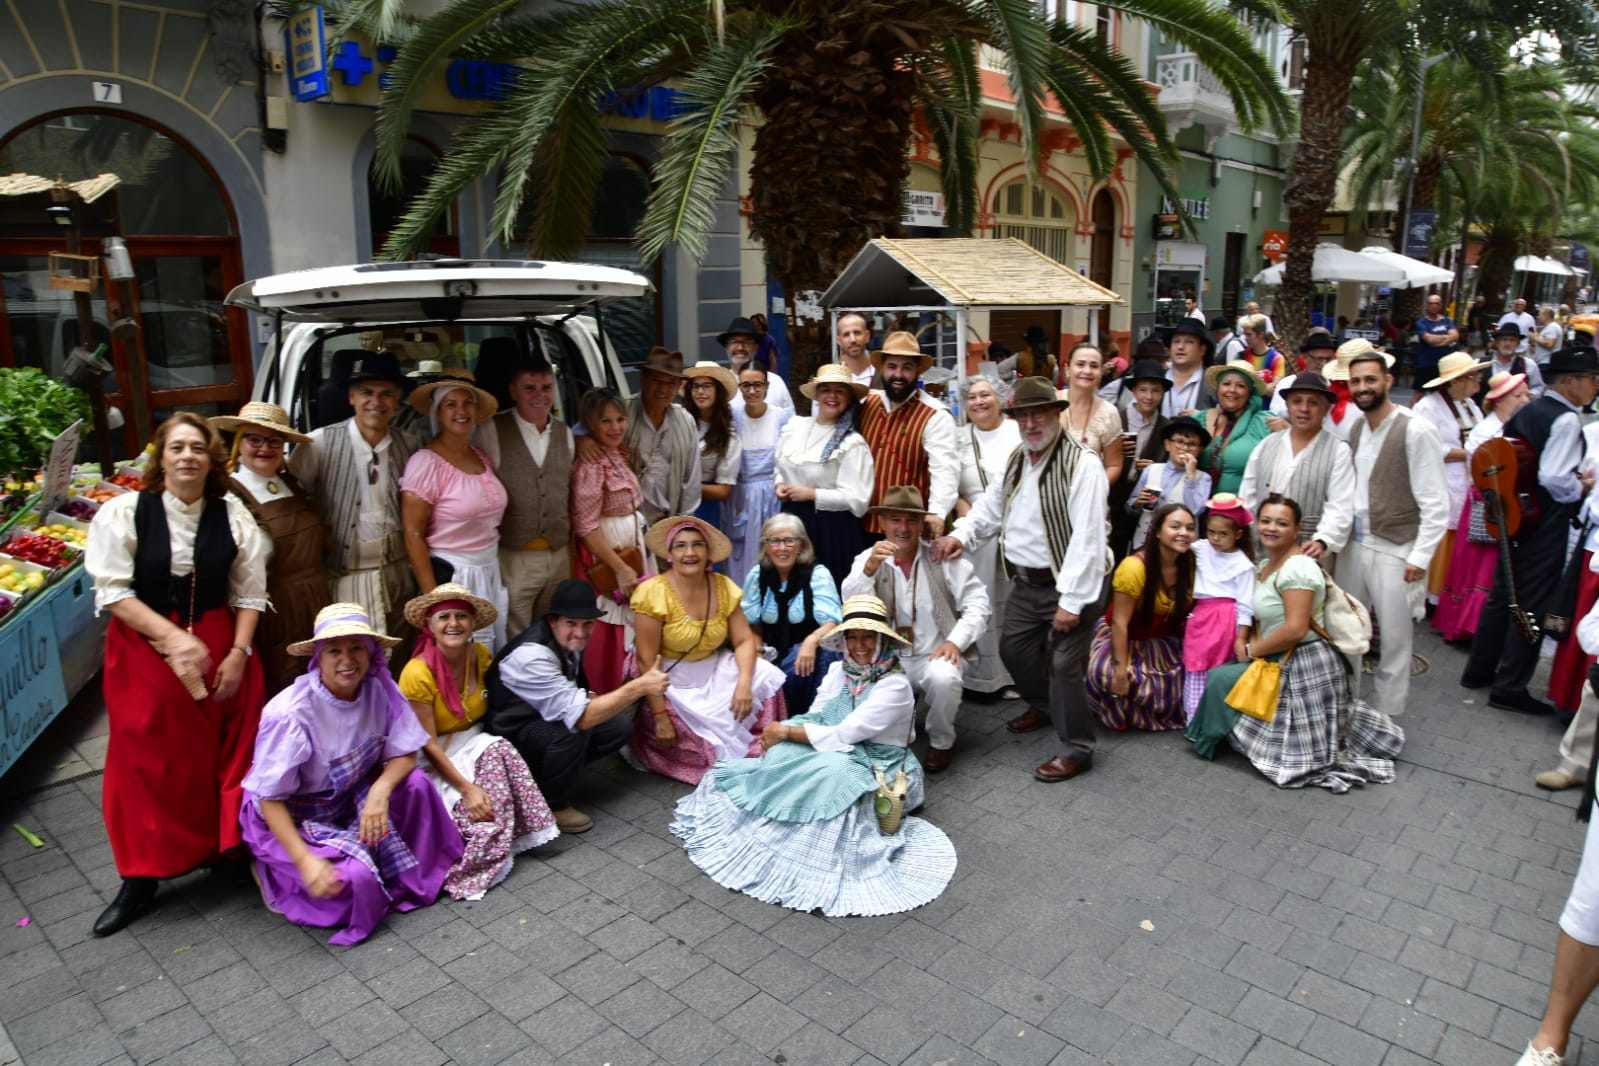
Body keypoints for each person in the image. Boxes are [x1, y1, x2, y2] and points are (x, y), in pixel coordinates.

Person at [84, 413, 270, 937]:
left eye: (197, 448)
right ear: (159, 458)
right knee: (146, 758)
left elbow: (249, 590)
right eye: (176, 448)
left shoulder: (231, 514)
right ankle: (141, 875)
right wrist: (170, 639)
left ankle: (225, 851)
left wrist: (238, 652)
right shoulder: (124, 512)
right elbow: (113, 591)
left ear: (212, 459)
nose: (187, 456)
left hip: (217, 639)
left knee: (227, 748)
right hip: (144, 645)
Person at [669, 594, 957, 917]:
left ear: (881, 641)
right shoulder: (839, 671)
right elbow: (818, 715)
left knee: (832, 773)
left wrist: (784, 731)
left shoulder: (895, 685)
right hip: (836, 748)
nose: (860, 646)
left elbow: (845, 733)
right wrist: (783, 731)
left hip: (881, 765)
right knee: (785, 756)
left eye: (868, 638)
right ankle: (772, 831)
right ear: (845, 641)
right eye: (853, 637)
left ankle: (806, 850)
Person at [239, 603, 463, 945]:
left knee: (416, 783)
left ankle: (407, 871)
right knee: (351, 882)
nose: (347, 659)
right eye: (334, 651)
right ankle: (274, 871)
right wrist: (305, 861)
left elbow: (404, 753)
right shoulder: (290, 714)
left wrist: (380, 792)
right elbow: (270, 800)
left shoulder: (378, 689)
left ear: (370, 652)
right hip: (295, 815)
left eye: (356, 647)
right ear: (318, 657)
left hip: (350, 795)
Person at [932, 377, 1111, 782]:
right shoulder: (1017, 459)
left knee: (1065, 663)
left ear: (1055, 414)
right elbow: (988, 510)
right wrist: (959, 535)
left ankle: (1078, 749)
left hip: (1072, 586)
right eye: (1024, 415)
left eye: (1039, 413)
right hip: (1027, 584)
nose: (1031, 422)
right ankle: (1047, 708)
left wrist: (1071, 601)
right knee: (1014, 651)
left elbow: (1088, 539)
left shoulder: (1083, 464)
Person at [1186, 496, 1404, 792]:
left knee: (1221, 678)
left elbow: (1295, 629)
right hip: (1277, 656)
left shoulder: (1299, 567)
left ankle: (1210, 739)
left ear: (1297, 529)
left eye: (1281, 523)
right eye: (1266, 521)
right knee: (1223, 676)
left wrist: (1250, 650)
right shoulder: (1265, 565)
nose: (1271, 528)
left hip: (1304, 662)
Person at [396, 584, 558, 899]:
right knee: (476, 816)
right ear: (429, 626)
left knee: (501, 750)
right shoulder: (416, 673)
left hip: (472, 741)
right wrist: (468, 789)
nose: (453, 624)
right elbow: (426, 744)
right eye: (443, 617)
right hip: (432, 756)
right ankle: (470, 864)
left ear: (473, 624)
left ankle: (502, 836)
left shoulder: (480, 655)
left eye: (461, 616)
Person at [1463, 345, 1599, 715]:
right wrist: (1581, 487)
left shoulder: (1530, 409)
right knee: (1532, 604)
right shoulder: (1566, 419)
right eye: (1591, 379)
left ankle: (1479, 670)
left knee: (1502, 593)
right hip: (1544, 521)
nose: (1595, 386)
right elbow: (1555, 478)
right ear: (1571, 381)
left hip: (1514, 514)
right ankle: (1510, 686)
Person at [487, 579, 673, 834]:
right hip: (510, 735)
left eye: (587, 624)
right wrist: (640, 686)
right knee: (573, 729)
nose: (581, 632)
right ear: (553, 621)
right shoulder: (531, 656)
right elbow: (581, 718)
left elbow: (576, 692)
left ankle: (550, 776)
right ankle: (552, 804)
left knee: (617, 725)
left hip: (539, 717)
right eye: (571, 623)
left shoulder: (567, 641)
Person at [629, 516, 788, 784]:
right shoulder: (653, 592)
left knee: (766, 673)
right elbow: (646, 660)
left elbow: (744, 641)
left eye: (697, 545)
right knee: (710, 732)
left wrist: (744, 684)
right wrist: (660, 715)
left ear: (708, 552)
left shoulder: (723, 587)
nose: (689, 553)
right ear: (669, 554)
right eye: (680, 546)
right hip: (668, 675)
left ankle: (765, 744)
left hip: (713, 665)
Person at [842, 487, 990, 772]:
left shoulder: (941, 556)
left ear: (921, 524)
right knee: (879, 728)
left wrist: (955, 642)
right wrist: (869, 571)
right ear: (882, 523)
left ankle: (941, 742)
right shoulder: (867, 559)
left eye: (911, 520)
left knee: (944, 678)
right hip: (888, 657)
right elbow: (851, 605)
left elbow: (978, 604)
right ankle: (896, 726)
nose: (903, 528)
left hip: (932, 654)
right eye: (895, 520)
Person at [1340, 342, 1450, 718]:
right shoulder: (1357, 426)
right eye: (1355, 381)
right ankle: (1347, 706)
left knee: (1395, 641)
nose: (1361, 387)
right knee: (1349, 632)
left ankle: (1387, 716)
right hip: (1353, 544)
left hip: (1395, 548)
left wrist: (1420, 556)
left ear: (1388, 380)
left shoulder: (1416, 429)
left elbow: (1436, 501)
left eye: (1369, 379)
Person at [289, 350, 417, 637]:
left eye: (386, 394)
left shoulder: (409, 444)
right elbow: (294, 503)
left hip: (398, 570)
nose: (376, 402)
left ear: (397, 401)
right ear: (351, 398)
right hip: (345, 573)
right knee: (353, 649)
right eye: (366, 392)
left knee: (399, 647)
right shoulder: (318, 444)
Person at [212, 401, 330, 696]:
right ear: (239, 443)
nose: (264, 448)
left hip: (315, 600)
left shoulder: (291, 482)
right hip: (274, 611)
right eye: (254, 439)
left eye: (274, 440)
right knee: (285, 689)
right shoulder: (230, 495)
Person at [400, 370, 509, 649]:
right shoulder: (426, 463)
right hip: (454, 573)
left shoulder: (480, 455)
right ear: (438, 412)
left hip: (489, 569)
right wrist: (434, 599)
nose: (461, 411)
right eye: (451, 404)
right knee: (459, 652)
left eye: (467, 403)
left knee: (487, 654)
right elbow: (413, 535)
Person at [474, 359, 574, 636]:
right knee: (515, 629)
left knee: (556, 627)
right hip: (515, 556)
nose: (539, 396)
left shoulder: (566, 434)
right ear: (513, 391)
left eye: (546, 387)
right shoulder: (491, 430)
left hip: (558, 554)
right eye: (529, 388)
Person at [1434, 372, 1533, 642]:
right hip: (1486, 506)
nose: (1525, 400)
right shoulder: (1486, 432)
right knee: (1481, 568)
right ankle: (1469, 625)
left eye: (1526, 394)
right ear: (1499, 400)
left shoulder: (1511, 428)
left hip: (1502, 505)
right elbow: (1483, 476)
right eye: (1518, 395)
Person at [570, 388, 655, 693]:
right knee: (610, 631)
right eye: (605, 421)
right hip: (610, 554)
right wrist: (618, 567)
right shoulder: (591, 464)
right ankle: (611, 694)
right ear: (590, 424)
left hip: (631, 547)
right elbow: (586, 525)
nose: (615, 427)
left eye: (620, 419)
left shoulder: (617, 453)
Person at [1086, 503, 1196, 731]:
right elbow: (1119, 623)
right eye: (1175, 526)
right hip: (1126, 638)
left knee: (1193, 676)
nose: (1184, 533)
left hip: (1166, 639)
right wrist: (1119, 671)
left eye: (1190, 528)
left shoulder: (1191, 563)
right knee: (1106, 673)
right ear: (1157, 531)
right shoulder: (1134, 567)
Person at [1238, 371, 1355, 564]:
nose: (1304, 409)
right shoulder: (1267, 444)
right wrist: (1248, 537)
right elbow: (1247, 495)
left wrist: (1324, 541)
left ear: (1326, 408)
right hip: (1262, 552)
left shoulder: (1338, 450)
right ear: (1287, 405)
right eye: (1297, 401)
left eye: (1313, 403)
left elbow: (1340, 504)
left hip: (1309, 554)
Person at [775, 362, 874, 584]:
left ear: (848, 399)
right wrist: (779, 484)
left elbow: (858, 500)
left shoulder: (851, 443)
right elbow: (780, 465)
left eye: (840, 391)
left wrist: (813, 495)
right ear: (817, 395)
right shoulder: (796, 427)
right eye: (826, 390)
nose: (832, 396)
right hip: (791, 521)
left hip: (831, 530)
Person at [955, 375, 1022, 694]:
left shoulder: (1016, 432)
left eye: (986, 395)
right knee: (978, 604)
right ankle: (979, 678)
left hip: (1014, 530)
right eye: (972, 397)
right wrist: (966, 513)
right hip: (973, 533)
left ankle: (1013, 677)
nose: (979, 402)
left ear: (1001, 399)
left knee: (1010, 605)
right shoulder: (958, 437)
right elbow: (952, 486)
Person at [859, 331, 959, 537]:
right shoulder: (866, 402)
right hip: (862, 523)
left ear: (917, 372)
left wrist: (937, 514)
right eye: (892, 367)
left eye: (907, 368)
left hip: (907, 532)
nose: (898, 375)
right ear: (882, 369)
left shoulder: (935, 415)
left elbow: (945, 471)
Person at [741, 513, 843, 715]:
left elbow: (832, 622)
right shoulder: (757, 575)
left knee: (820, 655)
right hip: (771, 653)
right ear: (765, 546)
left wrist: (810, 641)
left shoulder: (818, 575)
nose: (781, 548)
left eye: (789, 541)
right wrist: (758, 651)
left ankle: (809, 716)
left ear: (801, 545)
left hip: (808, 657)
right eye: (775, 541)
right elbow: (751, 624)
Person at [1412, 351, 1488, 598]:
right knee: (1441, 538)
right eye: (1473, 376)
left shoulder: (1470, 405)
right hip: (1443, 481)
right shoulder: (1428, 407)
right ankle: (1432, 594)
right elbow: (1424, 446)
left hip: (1468, 483)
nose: (1478, 381)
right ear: (1456, 380)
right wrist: (1467, 453)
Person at [1184, 494, 1255, 721]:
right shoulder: (1201, 549)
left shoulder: (1243, 565)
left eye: (1223, 534)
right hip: (1200, 616)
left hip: (1226, 620)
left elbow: (1246, 605)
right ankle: (1193, 716)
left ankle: (1211, 717)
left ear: (1238, 534)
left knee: (1217, 667)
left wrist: (1241, 638)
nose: (1216, 538)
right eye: (1211, 532)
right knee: (1195, 663)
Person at [615, 347, 700, 524]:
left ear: (678, 386)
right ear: (643, 379)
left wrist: (683, 524)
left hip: (667, 523)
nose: (663, 388)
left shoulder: (685, 421)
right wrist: (584, 441)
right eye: (656, 380)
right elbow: (584, 432)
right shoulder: (621, 411)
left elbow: (691, 481)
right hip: (627, 523)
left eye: (671, 383)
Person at [727, 364, 793, 580]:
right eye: (746, 385)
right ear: (739, 387)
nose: (752, 391)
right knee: (741, 554)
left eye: (757, 385)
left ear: (767, 386)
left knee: (774, 549)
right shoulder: (733, 417)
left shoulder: (782, 417)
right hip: (741, 497)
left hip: (772, 496)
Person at [1109, 361, 1172, 557]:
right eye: (1143, 390)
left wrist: (1156, 469)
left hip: (1146, 506)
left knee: (1142, 559)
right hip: (1114, 500)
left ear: (1163, 393)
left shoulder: (1166, 427)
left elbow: (1171, 467)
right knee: (1111, 558)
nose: (1149, 396)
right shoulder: (1115, 419)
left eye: (1156, 391)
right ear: (1134, 390)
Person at [1124, 416, 1213, 548]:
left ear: (1200, 450)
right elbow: (1129, 508)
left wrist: (1190, 477)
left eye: (1192, 444)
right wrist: (1137, 503)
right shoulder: (1151, 470)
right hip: (1145, 541)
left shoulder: (1204, 478)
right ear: (1168, 444)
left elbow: (1194, 511)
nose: (1185, 448)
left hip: (1179, 546)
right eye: (1179, 441)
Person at [683, 360, 743, 541]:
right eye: (696, 386)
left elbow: (724, 491)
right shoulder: (679, 421)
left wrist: (684, 487)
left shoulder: (728, 436)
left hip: (706, 508)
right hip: (672, 504)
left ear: (718, 390)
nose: (701, 392)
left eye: (707, 386)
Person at [1200, 364, 1273, 497]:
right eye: (1226, 383)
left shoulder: (1264, 423)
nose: (1232, 390)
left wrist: (1286, 429)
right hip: (1196, 507)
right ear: (1218, 388)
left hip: (1242, 509)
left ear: (1250, 392)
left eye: (1241, 386)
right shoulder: (1199, 419)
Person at [1058, 342, 1125, 486]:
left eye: (1094, 366)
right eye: (1080, 364)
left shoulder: (1109, 413)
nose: (1087, 371)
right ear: (1068, 369)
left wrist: (1094, 490)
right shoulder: (1051, 402)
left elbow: (1114, 465)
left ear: (1101, 372)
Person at [719, 316, 793, 411]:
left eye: (747, 341)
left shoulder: (776, 383)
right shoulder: (720, 386)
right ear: (727, 347)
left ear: (756, 347)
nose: (740, 347)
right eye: (734, 341)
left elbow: (791, 422)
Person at [1267, 333, 1339, 421]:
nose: (1324, 364)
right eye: (1319, 359)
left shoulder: (1336, 385)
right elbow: (1274, 413)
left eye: (1328, 359)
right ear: (1305, 358)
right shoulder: (1287, 383)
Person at [1480, 321, 1546, 402]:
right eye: (1504, 339)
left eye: (1512, 340)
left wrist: (1528, 396)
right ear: (1496, 343)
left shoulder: (1528, 365)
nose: (1508, 343)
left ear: (1518, 344)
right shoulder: (1480, 364)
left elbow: (1538, 387)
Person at [1164, 320, 1217, 417]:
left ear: (1202, 350)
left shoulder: (1213, 384)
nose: (1180, 347)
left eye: (1189, 342)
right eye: (1176, 341)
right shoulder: (1158, 378)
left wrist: (1204, 417)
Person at [1414, 293, 1462, 389]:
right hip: (1426, 363)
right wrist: (1447, 338)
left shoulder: (1447, 320)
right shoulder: (1421, 323)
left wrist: (1437, 342)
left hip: (1445, 364)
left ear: (1441, 305)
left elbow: (1455, 336)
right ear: (1427, 305)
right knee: (1420, 392)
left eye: (1437, 303)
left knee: (1443, 391)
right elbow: (1430, 340)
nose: (1434, 306)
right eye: (1431, 303)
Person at [1235, 314, 1288, 387]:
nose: (1245, 338)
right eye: (1245, 334)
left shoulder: (1276, 358)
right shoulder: (1240, 356)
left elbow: (1275, 387)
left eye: (1249, 334)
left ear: (1261, 335)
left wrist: (1249, 386)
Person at [836, 311, 881, 388]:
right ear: (839, 341)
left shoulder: (883, 372)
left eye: (857, 333)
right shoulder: (833, 378)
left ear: (867, 336)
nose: (853, 340)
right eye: (846, 335)